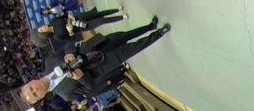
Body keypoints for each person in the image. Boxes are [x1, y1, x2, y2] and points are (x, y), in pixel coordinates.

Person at [21, 18, 171, 105]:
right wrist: (81, 77)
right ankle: (159, 33)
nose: (36, 89)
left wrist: (69, 55)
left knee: (124, 35)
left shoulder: (50, 61)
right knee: (134, 48)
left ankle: (149, 26)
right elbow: (91, 89)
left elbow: (68, 46)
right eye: (35, 94)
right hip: (103, 65)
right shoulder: (66, 95)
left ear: (31, 82)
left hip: (94, 47)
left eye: (31, 88)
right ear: (40, 98)